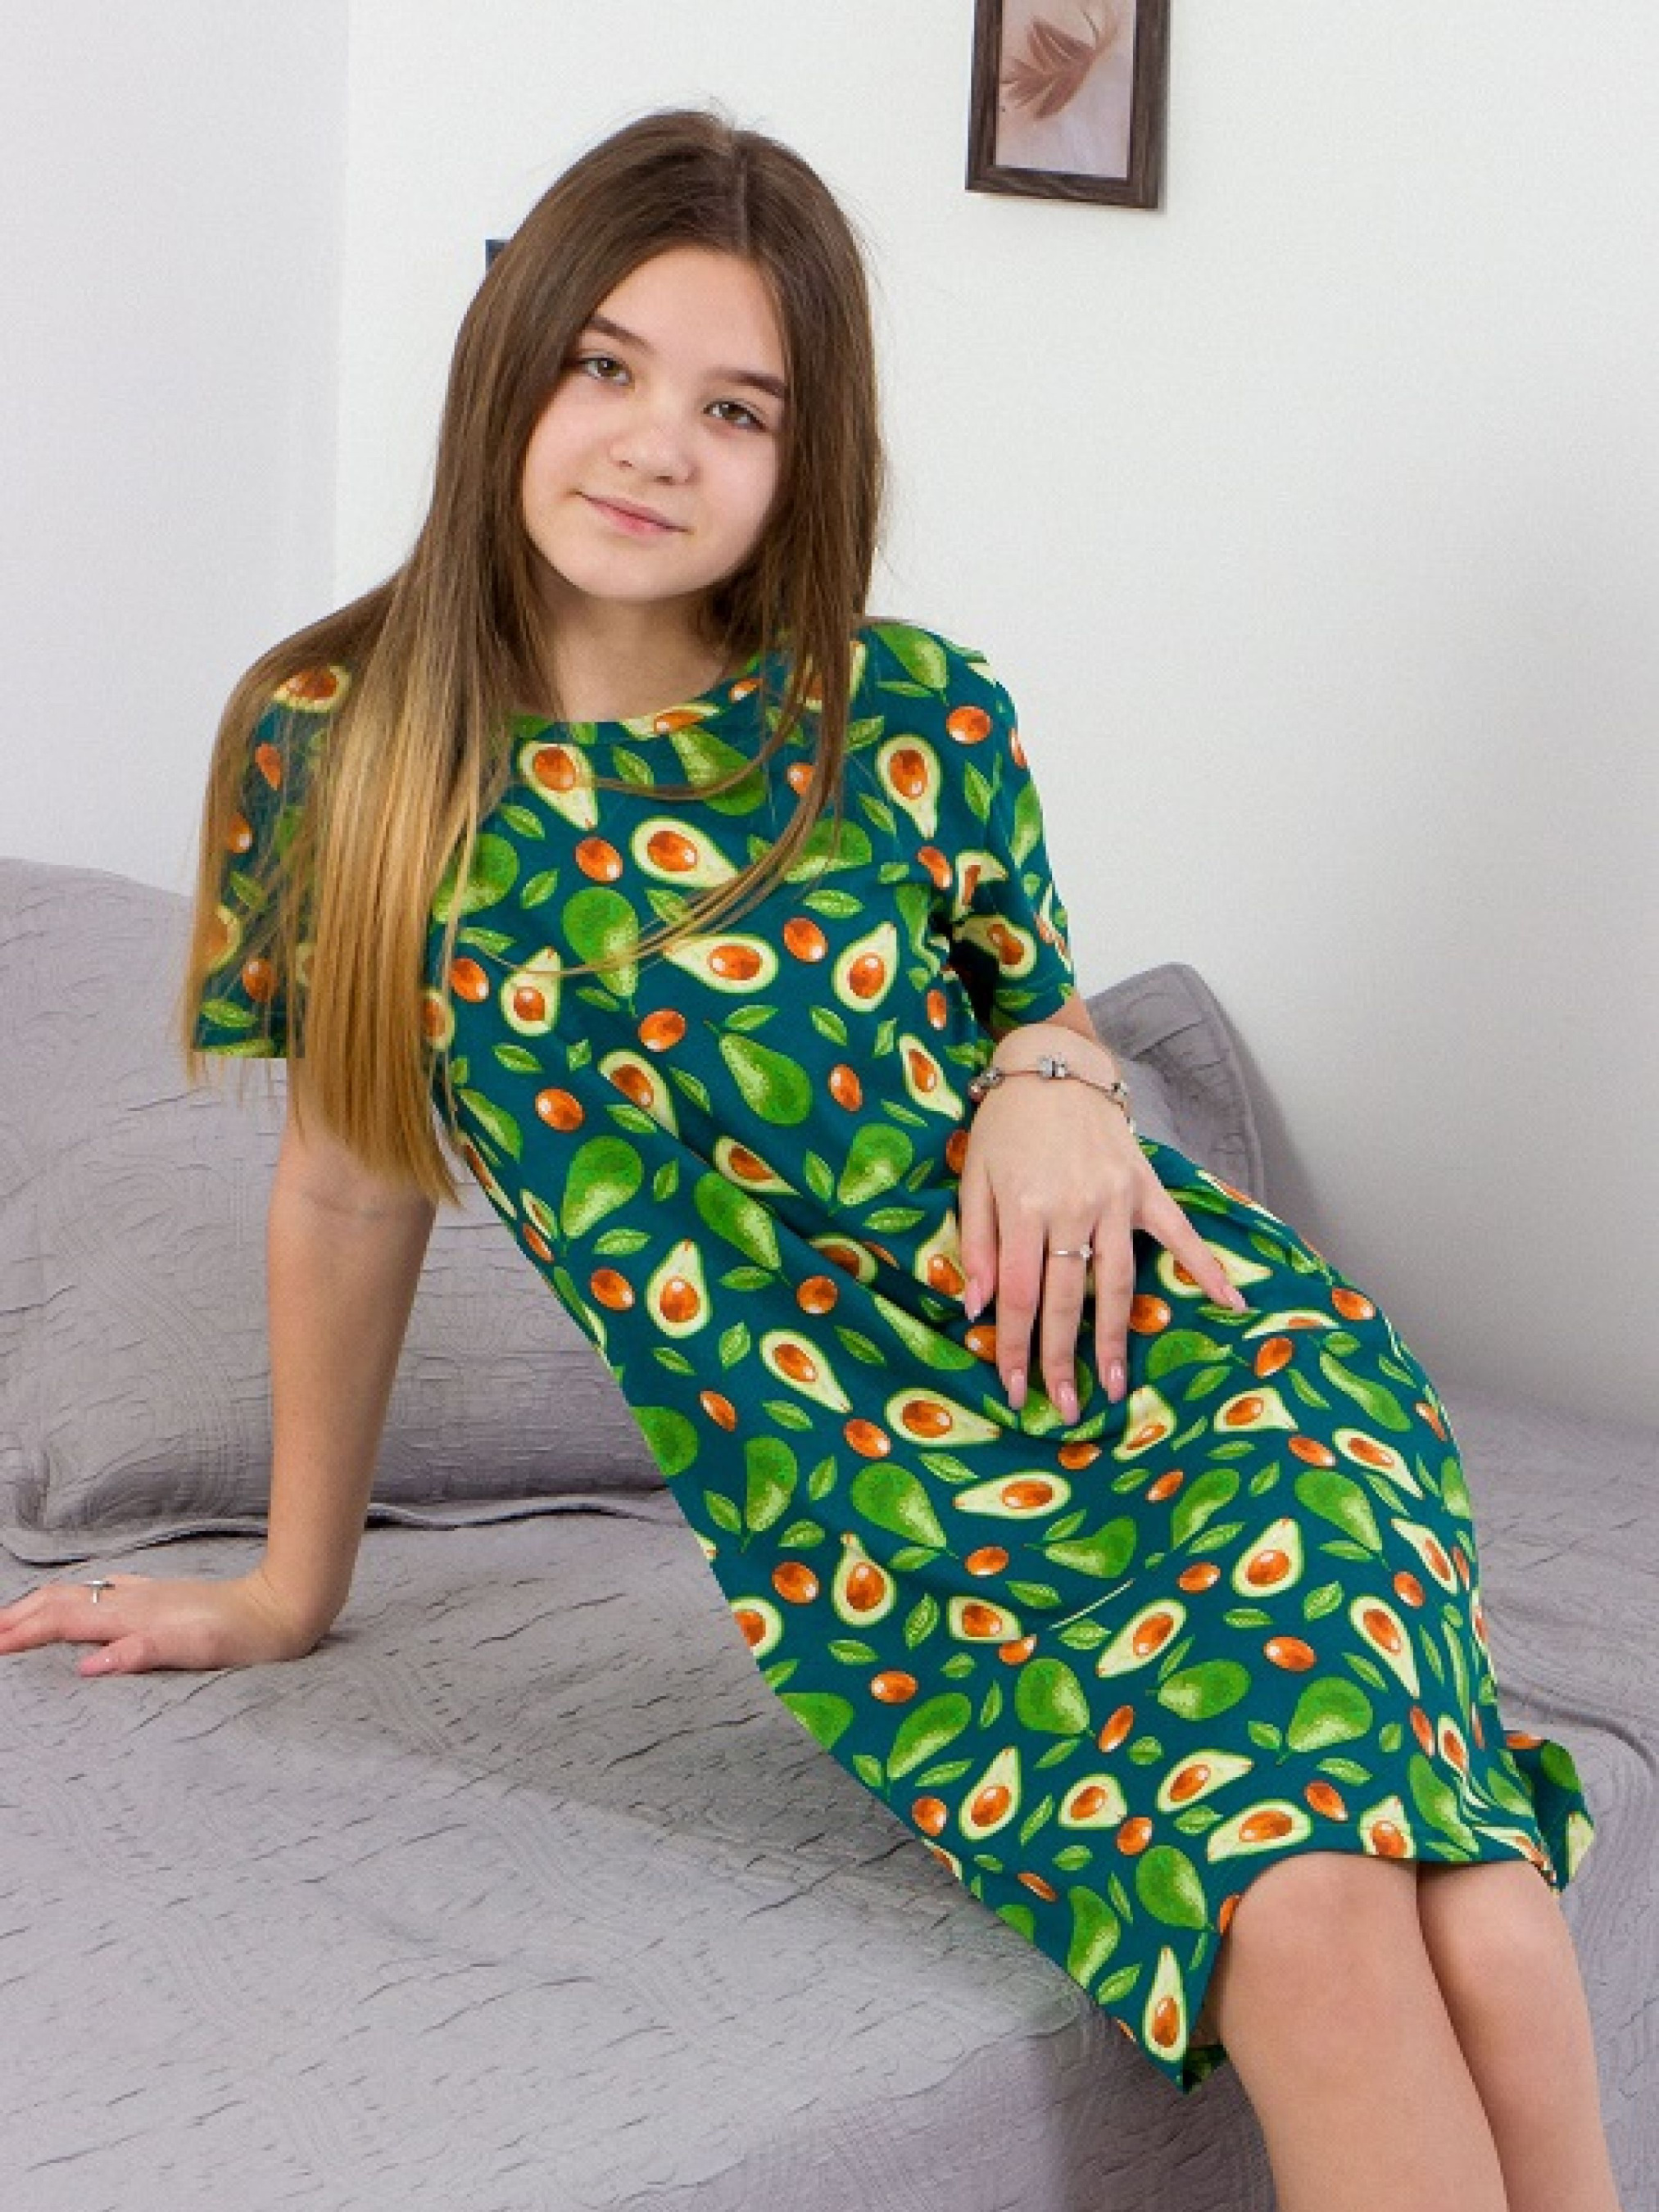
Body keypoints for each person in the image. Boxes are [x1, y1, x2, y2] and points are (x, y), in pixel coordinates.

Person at [0, 103, 1623, 2211]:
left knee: (1441, 1914)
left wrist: (1053, 1077)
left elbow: (1039, 1015)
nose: (653, 445)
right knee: (1375, 1905)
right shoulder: (339, 743)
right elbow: (347, 1182)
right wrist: (291, 1589)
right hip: (876, 1519)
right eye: (603, 365)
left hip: (1208, 1381)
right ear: (508, 364)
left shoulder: (908, 710)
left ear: (802, 453)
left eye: (734, 407)